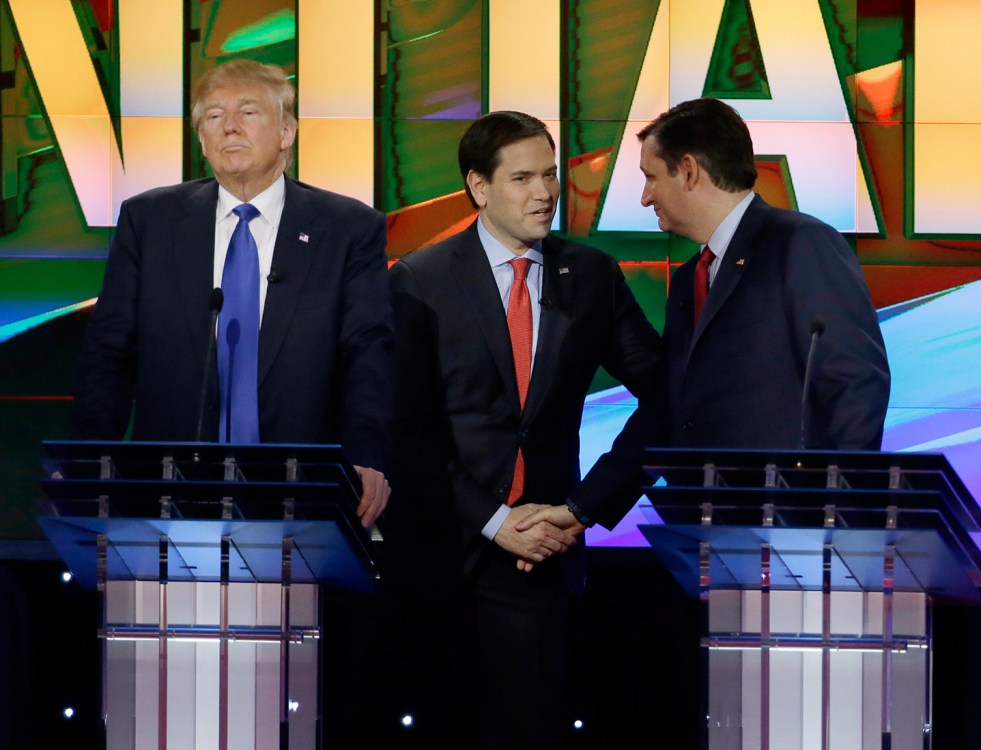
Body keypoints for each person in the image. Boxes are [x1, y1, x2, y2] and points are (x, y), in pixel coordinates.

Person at [384, 110, 663, 749]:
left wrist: (583, 506)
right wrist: (492, 519)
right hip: (443, 546)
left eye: (550, 175)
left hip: (542, 547)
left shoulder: (589, 275)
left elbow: (671, 395)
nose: (544, 193)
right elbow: (406, 431)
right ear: (479, 187)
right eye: (522, 178)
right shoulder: (419, 282)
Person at [526, 98, 890, 536]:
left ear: (689, 170)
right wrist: (583, 508)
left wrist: (839, 518)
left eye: (651, 177)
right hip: (712, 538)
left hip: (797, 535)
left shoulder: (799, 244)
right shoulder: (689, 282)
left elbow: (856, 385)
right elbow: (670, 409)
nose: (645, 197)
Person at [70, 59, 392, 524]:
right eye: (215, 117)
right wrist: (88, 458)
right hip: (169, 489)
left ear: (287, 131)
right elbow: (108, 351)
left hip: (301, 490)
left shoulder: (348, 228)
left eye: (248, 112)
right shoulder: (150, 221)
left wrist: (367, 456)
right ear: (201, 138)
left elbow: (368, 353)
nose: (230, 128)